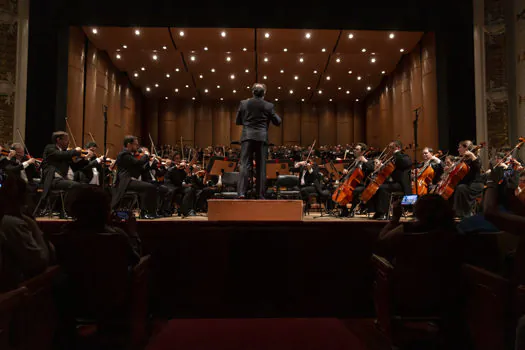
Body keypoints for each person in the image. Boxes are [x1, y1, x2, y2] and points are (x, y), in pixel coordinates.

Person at [0, 175, 54, 290]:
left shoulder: (10, 220)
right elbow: (39, 262)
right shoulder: (12, 223)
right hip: (13, 290)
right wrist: (33, 226)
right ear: (23, 197)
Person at [236, 83, 282, 199]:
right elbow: (278, 122)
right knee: (261, 166)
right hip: (261, 138)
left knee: (244, 165)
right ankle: (260, 194)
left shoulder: (244, 103)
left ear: (252, 92)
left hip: (247, 137)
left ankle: (241, 193)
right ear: (264, 93)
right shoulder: (268, 106)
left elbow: (238, 121)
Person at [111, 135, 158, 219]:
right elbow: (138, 163)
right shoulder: (124, 155)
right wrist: (146, 155)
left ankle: (145, 212)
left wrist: (149, 163)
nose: (137, 146)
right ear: (129, 144)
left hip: (129, 180)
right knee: (150, 187)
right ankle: (148, 212)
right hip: (125, 181)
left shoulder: (129, 155)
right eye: (135, 144)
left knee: (148, 187)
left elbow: (140, 168)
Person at [368, 140, 412, 220]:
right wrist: (380, 167)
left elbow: (407, 163)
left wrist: (397, 153)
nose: (389, 150)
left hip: (400, 184)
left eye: (391, 148)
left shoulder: (403, 156)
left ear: (397, 148)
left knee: (382, 188)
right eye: (389, 148)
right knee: (375, 187)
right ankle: (377, 212)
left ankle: (383, 213)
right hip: (392, 182)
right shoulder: (393, 158)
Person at [40, 131, 86, 200]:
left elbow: (75, 167)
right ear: (58, 140)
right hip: (53, 180)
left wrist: (85, 158)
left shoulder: (65, 152)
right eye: (66, 140)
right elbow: (60, 155)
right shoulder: (50, 148)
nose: (68, 142)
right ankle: (68, 207)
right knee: (76, 186)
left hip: (63, 179)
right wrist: (76, 151)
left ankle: (68, 207)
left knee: (83, 187)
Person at [452, 140, 484, 218]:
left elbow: (478, 167)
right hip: (467, 183)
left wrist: (472, 155)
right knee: (456, 187)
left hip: (475, 184)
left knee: (461, 188)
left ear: (466, 148)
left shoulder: (475, 158)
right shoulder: (462, 159)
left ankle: (463, 214)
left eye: (460, 147)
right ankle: (452, 212)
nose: (458, 149)